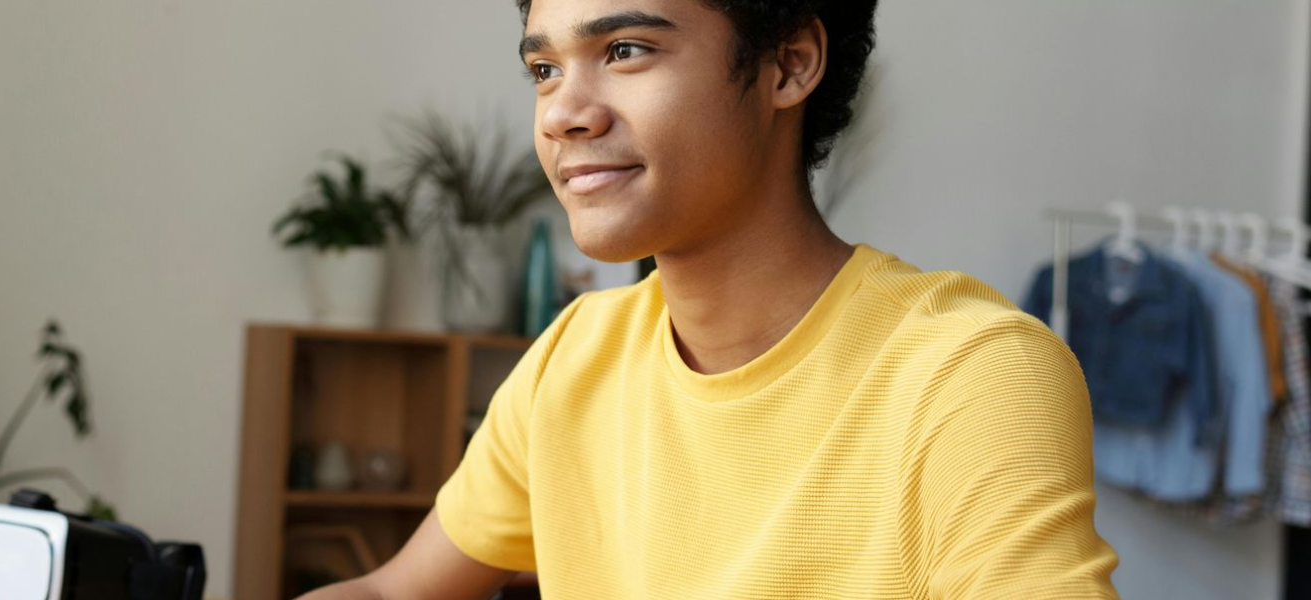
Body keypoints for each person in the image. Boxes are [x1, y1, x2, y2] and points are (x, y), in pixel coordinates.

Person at [301, 0, 1120, 598]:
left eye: (624, 50)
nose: (562, 115)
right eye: (543, 69)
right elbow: (393, 592)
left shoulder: (969, 373)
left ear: (789, 63)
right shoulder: (574, 355)